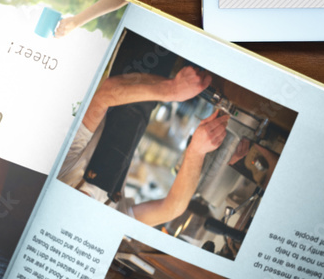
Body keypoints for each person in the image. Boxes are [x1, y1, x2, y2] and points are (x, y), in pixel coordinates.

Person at [58, 64, 229, 226]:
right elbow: (171, 209)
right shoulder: (107, 218)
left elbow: (104, 95)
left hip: (130, 66)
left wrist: (171, 89)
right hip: (154, 93)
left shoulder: (61, 176)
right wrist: (196, 152)